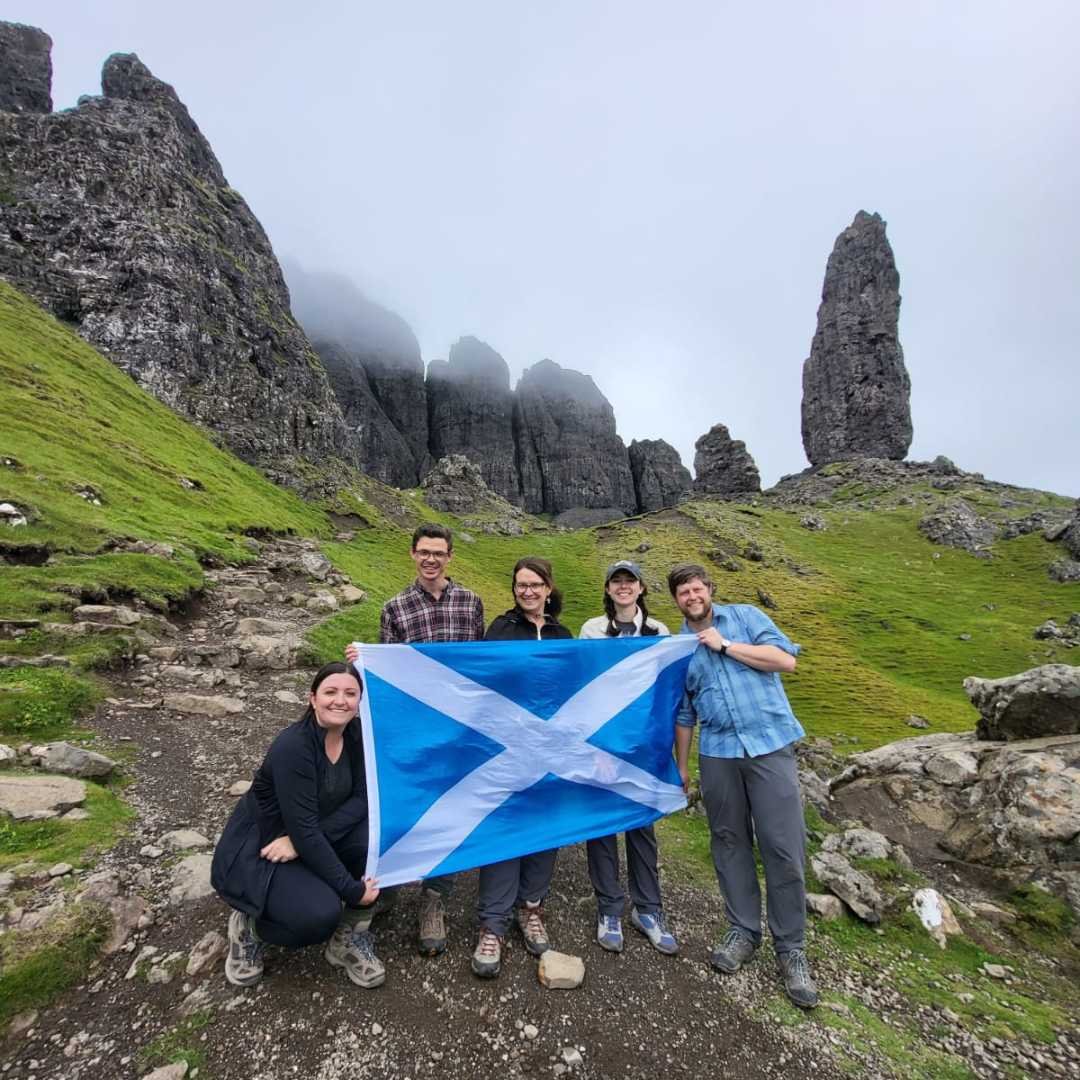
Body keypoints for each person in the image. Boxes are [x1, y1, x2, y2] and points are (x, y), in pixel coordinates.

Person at [667, 563, 818, 1009]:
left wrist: (727, 645)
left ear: (710, 590)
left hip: (769, 745)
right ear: (675, 600)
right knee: (729, 841)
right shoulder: (680, 648)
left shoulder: (746, 618)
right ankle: (743, 931)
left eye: (697, 588)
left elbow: (785, 660)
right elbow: (684, 714)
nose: (692, 596)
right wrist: (682, 766)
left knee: (782, 847)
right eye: (683, 592)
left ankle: (791, 949)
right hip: (718, 753)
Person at [346, 522, 484, 957]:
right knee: (407, 805)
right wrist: (363, 661)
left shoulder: (471, 603)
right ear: (412, 554)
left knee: (451, 813)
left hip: (459, 732)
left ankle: (434, 899)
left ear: (449, 556)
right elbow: (387, 673)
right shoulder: (395, 607)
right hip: (416, 733)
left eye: (438, 553)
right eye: (424, 552)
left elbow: (480, 665)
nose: (431, 559)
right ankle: (389, 881)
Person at [211, 662, 382, 989]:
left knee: (377, 844)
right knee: (319, 916)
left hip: (305, 836)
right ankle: (251, 928)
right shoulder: (294, 747)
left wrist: (303, 841)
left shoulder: (358, 734)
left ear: (360, 700)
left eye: (350, 693)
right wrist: (352, 890)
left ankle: (348, 939)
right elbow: (303, 829)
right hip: (266, 845)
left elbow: (363, 797)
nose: (340, 700)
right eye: (330, 692)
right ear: (312, 698)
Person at [472, 556, 573, 978]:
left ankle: (531, 908)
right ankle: (492, 924)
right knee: (505, 828)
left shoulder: (563, 634)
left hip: (550, 751)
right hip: (507, 749)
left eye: (535, 584)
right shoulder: (500, 628)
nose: (527, 591)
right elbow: (479, 683)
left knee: (543, 828)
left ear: (549, 588)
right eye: (520, 585)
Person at [578, 560, 678, 956]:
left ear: (640, 589)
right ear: (607, 589)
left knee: (642, 827)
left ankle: (649, 909)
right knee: (602, 827)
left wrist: (660, 749)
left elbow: (664, 693)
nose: (623, 587)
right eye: (616, 581)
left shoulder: (660, 633)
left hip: (644, 746)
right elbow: (585, 691)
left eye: (629, 581)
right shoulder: (590, 630)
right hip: (603, 745)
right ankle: (609, 908)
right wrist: (595, 750)